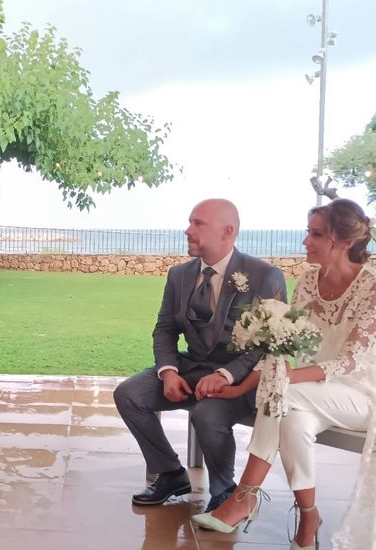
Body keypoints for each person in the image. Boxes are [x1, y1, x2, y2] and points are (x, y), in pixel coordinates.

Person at [191, 198, 376, 550]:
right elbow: (284, 347)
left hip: (367, 394)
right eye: (307, 232)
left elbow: (351, 362)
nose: (305, 241)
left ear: (344, 242)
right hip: (314, 391)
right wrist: (240, 388)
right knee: (292, 421)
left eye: (315, 234)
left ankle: (245, 495)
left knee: (284, 393)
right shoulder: (310, 280)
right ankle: (309, 517)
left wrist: (288, 379)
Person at [113, 198, 287, 512]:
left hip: (241, 379)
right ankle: (171, 473)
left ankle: (223, 491)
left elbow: (267, 345)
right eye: (190, 222)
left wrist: (225, 375)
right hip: (191, 366)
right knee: (129, 394)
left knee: (207, 414)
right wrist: (168, 371)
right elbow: (165, 329)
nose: (187, 230)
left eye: (198, 224)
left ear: (228, 232)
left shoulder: (264, 276)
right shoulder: (179, 274)